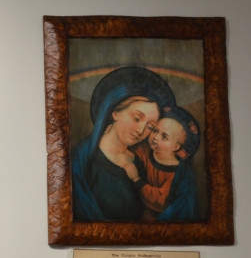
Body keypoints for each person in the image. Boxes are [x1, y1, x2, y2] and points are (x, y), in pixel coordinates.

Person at [72, 66, 176, 222]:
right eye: (137, 118)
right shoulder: (82, 160)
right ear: (115, 113)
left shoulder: (139, 163)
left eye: (150, 127)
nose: (141, 131)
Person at [123, 105, 200, 220]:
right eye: (155, 131)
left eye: (164, 137)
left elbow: (160, 201)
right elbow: (129, 149)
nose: (155, 137)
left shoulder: (177, 173)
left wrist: (136, 179)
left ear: (176, 147)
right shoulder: (145, 149)